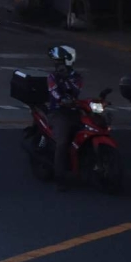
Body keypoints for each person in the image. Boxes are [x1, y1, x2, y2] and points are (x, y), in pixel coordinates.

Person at [46, 44, 83, 190]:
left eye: (59, 61)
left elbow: (76, 91)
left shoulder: (77, 77)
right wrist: (62, 100)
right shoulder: (52, 76)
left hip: (74, 111)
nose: (56, 64)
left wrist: (66, 77)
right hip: (58, 112)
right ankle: (59, 177)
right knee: (62, 142)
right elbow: (54, 93)